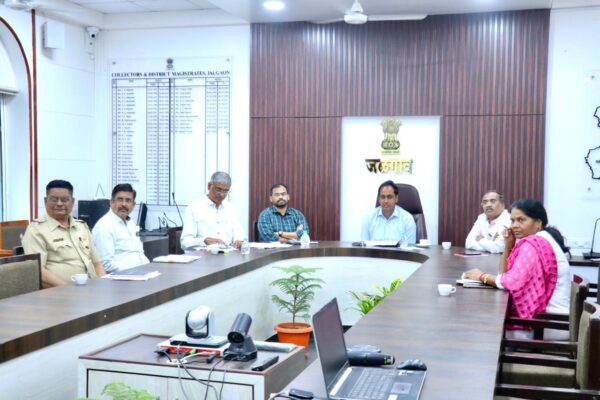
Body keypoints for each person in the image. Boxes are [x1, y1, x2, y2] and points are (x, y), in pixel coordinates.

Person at [464, 198, 571, 340]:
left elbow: (510, 282)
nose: (514, 225)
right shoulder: (542, 238)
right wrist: (508, 246)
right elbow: (504, 275)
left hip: (546, 324)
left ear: (538, 223)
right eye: (512, 220)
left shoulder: (534, 243)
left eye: (521, 220)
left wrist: (481, 276)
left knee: (484, 328)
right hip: (555, 321)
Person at [22, 179, 105, 287]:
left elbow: (97, 263)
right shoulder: (36, 230)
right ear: (45, 201)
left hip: (91, 288)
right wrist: (68, 289)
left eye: (65, 200)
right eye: (54, 199)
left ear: (72, 202)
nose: (59, 203)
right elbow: (38, 271)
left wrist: (104, 285)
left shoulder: (81, 226)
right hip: (60, 292)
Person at [92, 183, 149, 273]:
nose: (124, 204)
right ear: (111, 202)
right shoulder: (105, 226)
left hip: (139, 274)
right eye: (120, 199)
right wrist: (134, 272)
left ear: (133, 205)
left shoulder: (131, 223)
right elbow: (106, 264)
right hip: (120, 278)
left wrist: (149, 269)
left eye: (128, 200)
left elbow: (139, 253)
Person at [181, 171, 245, 250]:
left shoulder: (230, 208)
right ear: (209, 186)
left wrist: (238, 240)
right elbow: (185, 242)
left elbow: (239, 232)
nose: (222, 195)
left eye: (225, 191)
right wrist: (204, 241)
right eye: (218, 190)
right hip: (203, 255)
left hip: (227, 254)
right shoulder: (194, 208)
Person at [361, 180, 416, 244]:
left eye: (389, 197)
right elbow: (364, 246)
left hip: (400, 251)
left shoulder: (407, 219)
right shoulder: (369, 218)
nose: (386, 201)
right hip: (373, 251)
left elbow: (410, 247)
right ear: (379, 199)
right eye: (382, 197)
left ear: (396, 198)